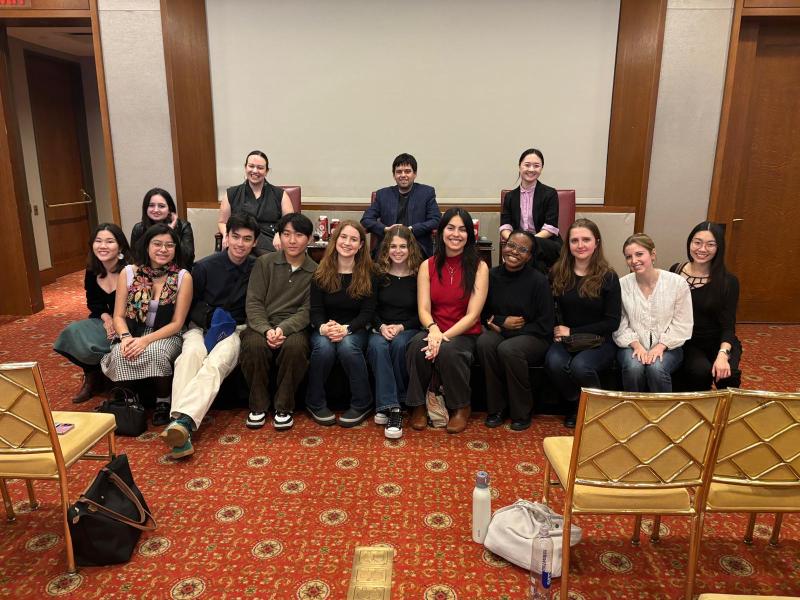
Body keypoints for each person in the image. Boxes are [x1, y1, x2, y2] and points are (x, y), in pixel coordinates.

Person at [159, 214, 258, 458]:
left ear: (254, 242)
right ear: (226, 236)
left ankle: (180, 425)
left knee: (216, 364)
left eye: (247, 239)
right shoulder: (204, 267)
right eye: (235, 237)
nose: (240, 244)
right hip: (200, 326)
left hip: (234, 329)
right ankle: (180, 425)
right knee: (190, 356)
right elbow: (189, 305)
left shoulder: (258, 268)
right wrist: (210, 317)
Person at [406, 208, 489, 434]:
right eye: (450, 228)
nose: (456, 234)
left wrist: (443, 337)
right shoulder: (428, 265)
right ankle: (418, 406)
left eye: (462, 229)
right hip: (434, 329)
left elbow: (472, 315)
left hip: (464, 333)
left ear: (469, 235)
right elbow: (423, 308)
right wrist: (433, 330)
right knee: (415, 346)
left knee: (450, 352)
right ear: (441, 232)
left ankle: (460, 407)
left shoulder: (480, 267)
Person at [100, 223, 192, 426]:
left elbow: (177, 323)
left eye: (169, 245)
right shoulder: (129, 273)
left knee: (157, 352)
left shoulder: (182, 277)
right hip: (131, 331)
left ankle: (163, 401)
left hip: (166, 333)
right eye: (157, 244)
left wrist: (145, 341)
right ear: (147, 246)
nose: (163, 249)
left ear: (176, 249)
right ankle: (129, 399)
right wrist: (125, 338)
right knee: (119, 352)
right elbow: (118, 316)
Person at [239, 213, 318, 431]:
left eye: (299, 235)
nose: (292, 240)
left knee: (295, 347)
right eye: (286, 234)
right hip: (261, 324)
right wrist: (266, 330)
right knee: (253, 345)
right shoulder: (264, 263)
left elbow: (308, 311)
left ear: (310, 239)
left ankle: (284, 407)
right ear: (279, 237)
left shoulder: (316, 271)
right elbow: (254, 302)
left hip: (293, 327)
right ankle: (258, 406)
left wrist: (282, 329)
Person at [545, 219, 621, 427]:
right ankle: (577, 405)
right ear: (567, 245)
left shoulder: (609, 277)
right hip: (566, 340)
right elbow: (548, 307)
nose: (580, 245)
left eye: (586, 240)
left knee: (581, 367)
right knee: (554, 363)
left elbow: (612, 322)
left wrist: (573, 330)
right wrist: (556, 329)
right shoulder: (557, 272)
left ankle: (597, 408)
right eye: (574, 240)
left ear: (596, 242)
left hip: (599, 341)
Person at [477, 230, 553, 430]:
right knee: (485, 343)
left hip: (534, 336)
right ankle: (496, 408)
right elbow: (482, 312)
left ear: (529, 256)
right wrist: (502, 322)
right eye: (511, 245)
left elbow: (545, 324)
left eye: (522, 249)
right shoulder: (491, 275)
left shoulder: (539, 281)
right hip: (499, 331)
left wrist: (507, 330)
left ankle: (521, 411)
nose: (514, 251)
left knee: (509, 349)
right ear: (504, 245)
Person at [306, 220, 375, 427]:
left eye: (354, 239)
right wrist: (324, 328)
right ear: (335, 241)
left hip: (356, 328)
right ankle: (315, 403)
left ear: (361, 245)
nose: (347, 243)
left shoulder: (369, 273)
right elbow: (316, 310)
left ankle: (362, 403)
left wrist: (347, 329)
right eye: (343, 237)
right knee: (324, 348)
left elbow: (368, 313)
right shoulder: (320, 272)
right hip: (325, 328)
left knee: (347, 346)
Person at [54, 223, 131, 404]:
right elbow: (94, 303)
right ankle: (91, 377)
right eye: (98, 241)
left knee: (115, 342)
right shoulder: (92, 270)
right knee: (74, 332)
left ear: (120, 246)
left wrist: (117, 322)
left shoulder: (131, 269)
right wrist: (106, 318)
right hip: (104, 319)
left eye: (109, 241)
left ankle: (114, 380)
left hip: (130, 322)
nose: (103, 246)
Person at [612, 233, 693, 393]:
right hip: (631, 346)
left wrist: (660, 347)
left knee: (656, 368)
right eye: (629, 257)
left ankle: (661, 414)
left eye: (639, 254)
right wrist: (636, 346)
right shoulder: (621, 285)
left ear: (653, 254)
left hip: (669, 347)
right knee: (634, 367)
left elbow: (682, 323)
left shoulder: (677, 283)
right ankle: (634, 409)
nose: (634, 261)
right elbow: (620, 323)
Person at [669, 221, 742, 390]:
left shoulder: (728, 282)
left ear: (719, 248)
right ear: (690, 243)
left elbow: (728, 325)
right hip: (688, 340)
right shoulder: (676, 271)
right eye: (697, 242)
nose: (702, 249)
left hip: (719, 339)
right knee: (700, 372)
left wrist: (723, 354)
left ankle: (722, 415)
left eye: (710, 244)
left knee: (727, 375)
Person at [367, 225, 423, 439]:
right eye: (393, 246)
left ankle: (390, 407)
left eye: (403, 246)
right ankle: (394, 407)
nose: (398, 251)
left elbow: (422, 312)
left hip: (408, 327)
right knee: (378, 346)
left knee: (400, 345)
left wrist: (401, 327)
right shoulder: (377, 273)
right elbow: (369, 309)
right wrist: (381, 326)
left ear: (411, 248)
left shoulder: (419, 274)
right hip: (379, 327)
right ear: (385, 248)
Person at [361, 153, 441, 257]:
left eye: (407, 171)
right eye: (399, 172)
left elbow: (436, 220)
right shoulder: (383, 194)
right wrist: (385, 229)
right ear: (394, 175)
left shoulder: (426, 193)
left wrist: (411, 229)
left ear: (415, 174)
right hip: (387, 248)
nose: (403, 175)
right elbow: (366, 219)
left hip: (417, 247)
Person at [218, 150, 294, 254]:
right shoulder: (232, 193)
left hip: (270, 242)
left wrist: (280, 234)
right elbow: (222, 222)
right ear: (245, 167)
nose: (255, 170)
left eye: (260, 167)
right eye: (251, 166)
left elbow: (290, 222)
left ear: (266, 171)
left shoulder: (280, 195)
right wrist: (226, 234)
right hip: (240, 242)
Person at [499, 148, 562, 269]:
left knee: (530, 252)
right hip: (519, 245)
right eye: (527, 165)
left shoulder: (550, 193)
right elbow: (505, 227)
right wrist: (516, 241)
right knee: (533, 260)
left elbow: (550, 228)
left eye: (536, 166)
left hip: (546, 243)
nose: (531, 169)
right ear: (519, 166)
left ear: (541, 169)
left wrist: (528, 242)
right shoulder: (510, 197)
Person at [130, 188, 195, 268]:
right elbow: (136, 258)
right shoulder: (139, 228)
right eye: (151, 205)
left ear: (169, 209)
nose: (156, 210)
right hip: (147, 274)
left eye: (161, 206)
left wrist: (171, 231)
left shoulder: (183, 226)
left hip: (176, 273)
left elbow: (187, 258)